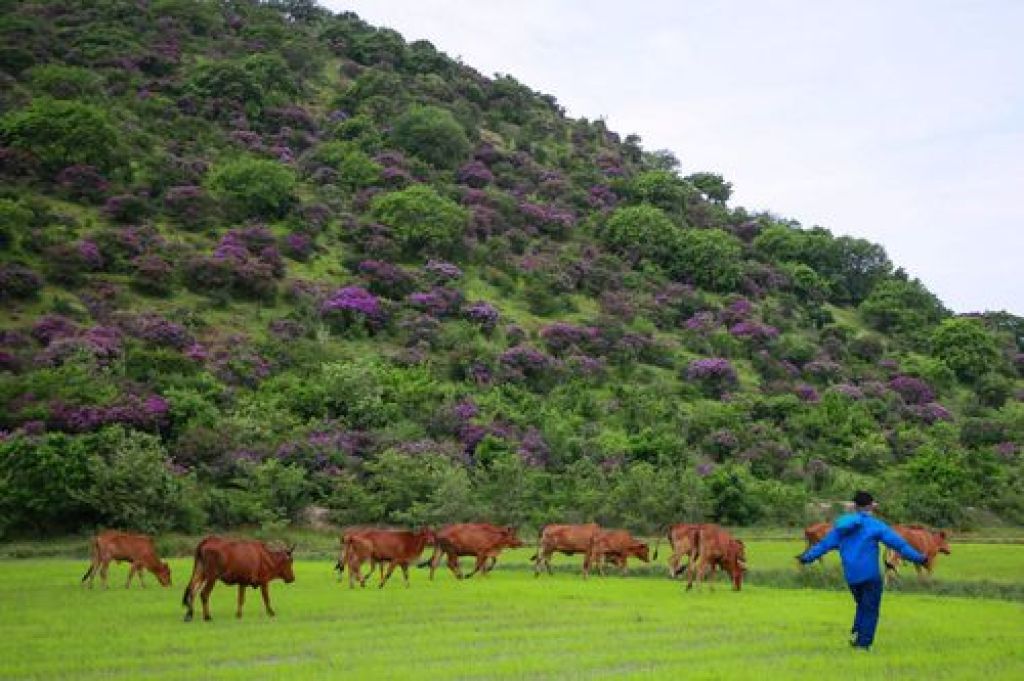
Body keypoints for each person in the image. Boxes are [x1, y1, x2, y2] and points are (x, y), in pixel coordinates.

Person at [797, 491, 926, 651]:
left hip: (851, 577)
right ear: (871, 506)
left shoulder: (841, 527)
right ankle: (863, 644)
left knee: (863, 604)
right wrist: (920, 558)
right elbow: (899, 545)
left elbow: (823, 546)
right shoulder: (876, 525)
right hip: (871, 576)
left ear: (855, 506)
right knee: (870, 609)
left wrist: (806, 558)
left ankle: (857, 632)